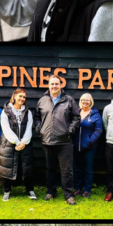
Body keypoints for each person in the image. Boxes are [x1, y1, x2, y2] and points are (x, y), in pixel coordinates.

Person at [36, 75, 80, 204]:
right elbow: (37, 117)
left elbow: (76, 117)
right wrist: (40, 129)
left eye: (56, 84)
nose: (54, 86)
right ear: (48, 86)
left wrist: (70, 130)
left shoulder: (69, 100)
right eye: (52, 84)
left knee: (67, 170)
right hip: (47, 141)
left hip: (64, 141)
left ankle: (68, 195)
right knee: (50, 168)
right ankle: (51, 192)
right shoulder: (42, 100)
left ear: (61, 85)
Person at [0, 88, 37, 201]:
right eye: (20, 96)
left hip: (26, 144)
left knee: (27, 167)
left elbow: (29, 128)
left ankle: (30, 190)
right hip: (9, 144)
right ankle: (6, 191)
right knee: (7, 167)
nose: (22, 99)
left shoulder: (28, 112)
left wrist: (24, 142)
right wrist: (17, 142)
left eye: (24, 97)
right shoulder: (5, 111)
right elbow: (6, 129)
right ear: (14, 96)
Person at [72, 93, 103, 198]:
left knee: (88, 169)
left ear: (91, 102)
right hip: (76, 146)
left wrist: (90, 141)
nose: (85, 102)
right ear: (80, 101)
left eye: (87, 100)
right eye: (83, 100)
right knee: (78, 169)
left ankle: (87, 190)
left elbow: (98, 130)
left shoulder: (95, 114)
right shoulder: (76, 112)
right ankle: (78, 188)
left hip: (89, 147)